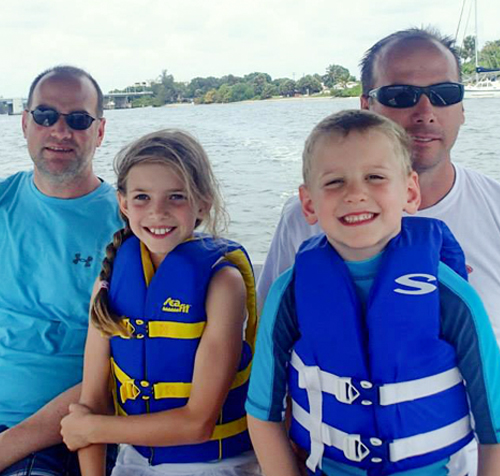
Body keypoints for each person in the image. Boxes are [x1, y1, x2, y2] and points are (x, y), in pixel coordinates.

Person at [246, 109, 500, 476]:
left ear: (410, 192)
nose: (355, 194)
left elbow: (494, 426)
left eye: (375, 177)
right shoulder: (290, 292)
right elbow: (262, 413)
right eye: (334, 182)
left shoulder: (450, 295)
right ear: (309, 204)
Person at [256, 28, 500, 350]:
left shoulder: (494, 207)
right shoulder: (303, 220)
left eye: (445, 94)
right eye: (400, 95)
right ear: (366, 107)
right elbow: (272, 345)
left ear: (462, 107)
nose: (425, 113)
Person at [60, 129, 261, 476]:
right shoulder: (109, 281)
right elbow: (90, 402)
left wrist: (92, 429)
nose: (158, 212)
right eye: (142, 198)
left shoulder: (223, 283)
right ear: (123, 203)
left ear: (202, 203)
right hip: (133, 460)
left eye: (176, 197)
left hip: (214, 463)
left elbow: (197, 423)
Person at [0, 66, 122, 475]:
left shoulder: (132, 228)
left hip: (60, 436)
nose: (60, 130)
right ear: (25, 122)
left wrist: (7, 446)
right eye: (46, 116)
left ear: (100, 132)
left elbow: (122, 372)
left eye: (78, 120)